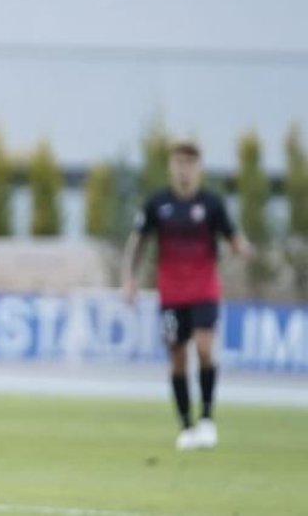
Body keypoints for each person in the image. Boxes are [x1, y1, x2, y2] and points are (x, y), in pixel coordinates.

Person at [123, 140, 252, 451]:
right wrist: (130, 279)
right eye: (179, 163)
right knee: (177, 358)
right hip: (170, 295)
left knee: (205, 348)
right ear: (172, 166)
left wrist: (242, 248)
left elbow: (233, 236)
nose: (184, 170)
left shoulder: (211, 204)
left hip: (204, 290)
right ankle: (186, 426)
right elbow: (137, 242)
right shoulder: (157, 204)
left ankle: (207, 418)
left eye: (190, 164)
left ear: (199, 168)